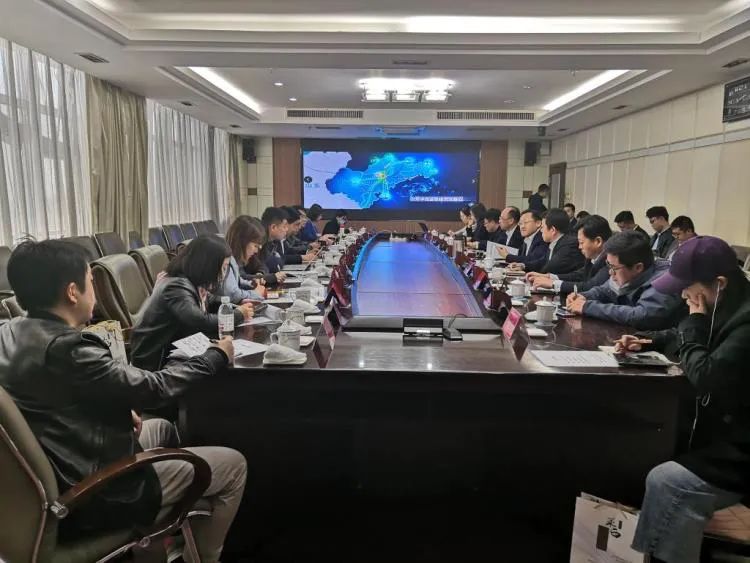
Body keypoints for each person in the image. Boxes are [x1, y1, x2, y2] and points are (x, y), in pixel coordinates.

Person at [0, 240, 247, 562]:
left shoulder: (10, 332)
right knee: (234, 465)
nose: (95, 291)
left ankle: (159, 538)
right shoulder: (71, 349)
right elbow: (155, 388)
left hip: (67, 459)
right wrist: (215, 356)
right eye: (91, 281)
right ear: (72, 292)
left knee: (162, 428)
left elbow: (50, 400)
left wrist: (114, 405)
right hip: (95, 492)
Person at [614, 236, 750, 563]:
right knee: (643, 447)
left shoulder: (746, 322)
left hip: (742, 447)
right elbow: (682, 337)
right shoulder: (726, 305)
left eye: (687, 287)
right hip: (723, 430)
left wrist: (694, 322)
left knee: (669, 482)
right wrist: (647, 341)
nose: (683, 295)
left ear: (719, 283)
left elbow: (707, 377)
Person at [131, 235, 254, 371]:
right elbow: (199, 321)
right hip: (155, 365)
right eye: (223, 268)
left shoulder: (191, 281)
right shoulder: (176, 286)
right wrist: (237, 314)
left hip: (174, 352)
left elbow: (211, 299)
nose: (223, 274)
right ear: (208, 266)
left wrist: (235, 304)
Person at [566, 230, 684, 330]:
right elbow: (605, 290)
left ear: (638, 267)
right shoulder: (624, 270)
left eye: (613, 267)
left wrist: (588, 307)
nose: (610, 272)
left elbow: (642, 316)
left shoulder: (665, 280)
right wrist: (584, 296)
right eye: (608, 265)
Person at [527, 214, 612, 295]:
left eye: (581, 242)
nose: (579, 247)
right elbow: (579, 275)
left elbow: (589, 286)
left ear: (598, 241)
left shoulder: (610, 260)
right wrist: (549, 277)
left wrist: (553, 283)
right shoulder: (593, 257)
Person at [217, 215, 266, 303]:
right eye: (255, 246)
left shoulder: (233, 259)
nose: (256, 251)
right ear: (242, 242)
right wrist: (256, 293)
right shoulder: (226, 260)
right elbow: (232, 294)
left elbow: (237, 280)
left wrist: (251, 284)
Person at [533, 208, 585, 275]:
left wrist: (536, 275)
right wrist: (524, 265)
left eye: (542, 227)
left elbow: (551, 267)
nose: (541, 231)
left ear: (553, 230)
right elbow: (543, 262)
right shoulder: (554, 242)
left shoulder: (569, 244)